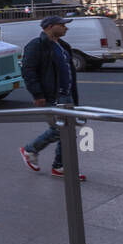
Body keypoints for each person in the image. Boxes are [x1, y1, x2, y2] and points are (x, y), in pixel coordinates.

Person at [18, 16, 83, 180]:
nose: (66, 28)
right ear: (50, 26)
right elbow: (28, 71)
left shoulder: (63, 46)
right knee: (59, 130)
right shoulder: (37, 45)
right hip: (51, 95)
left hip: (66, 95)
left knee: (67, 131)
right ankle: (30, 150)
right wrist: (37, 94)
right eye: (62, 25)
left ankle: (59, 166)